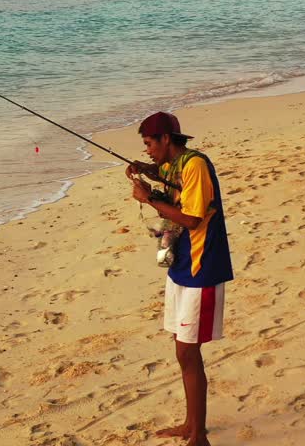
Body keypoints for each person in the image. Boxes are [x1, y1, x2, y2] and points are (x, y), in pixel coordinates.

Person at [126, 112, 233, 445]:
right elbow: (168, 174)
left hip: (202, 267)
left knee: (189, 353)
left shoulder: (195, 165)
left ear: (165, 139)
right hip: (181, 266)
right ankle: (191, 424)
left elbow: (192, 219)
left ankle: (198, 435)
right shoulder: (174, 164)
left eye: (148, 144)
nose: (147, 150)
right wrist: (147, 172)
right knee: (181, 350)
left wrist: (150, 199)